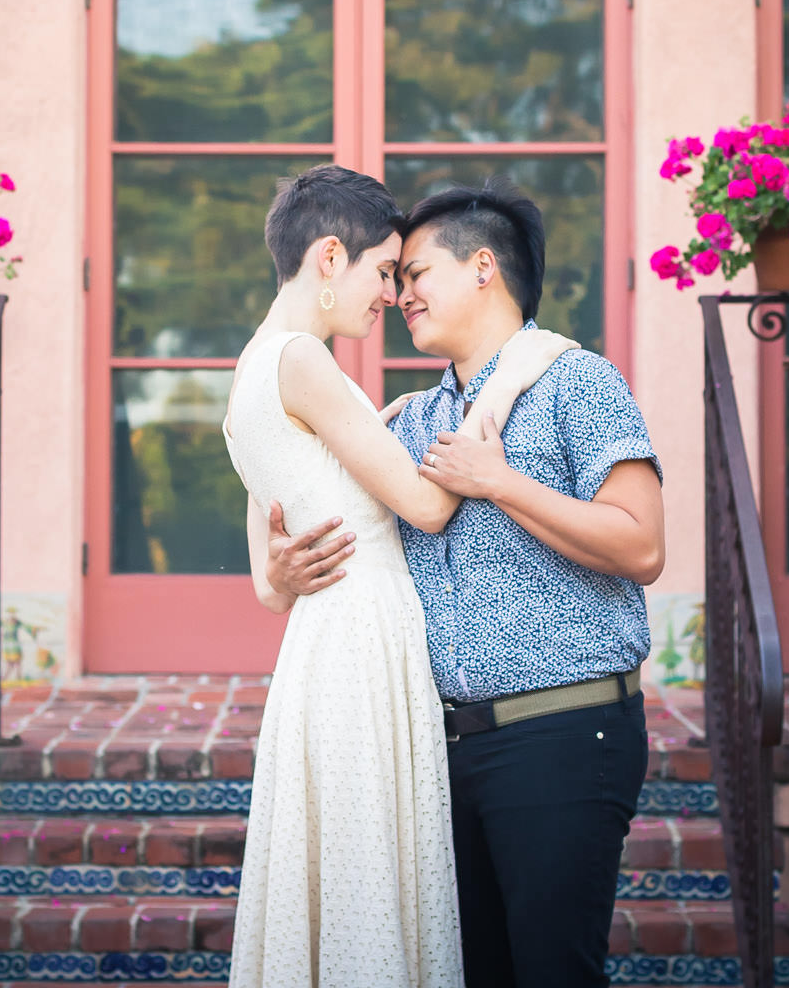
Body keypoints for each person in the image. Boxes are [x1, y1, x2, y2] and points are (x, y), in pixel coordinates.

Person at [266, 176, 665, 988]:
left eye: (413, 274)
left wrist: (499, 479)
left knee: (554, 970)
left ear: (483, 267)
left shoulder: (576, 383)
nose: (397, 294)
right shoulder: (409, 420)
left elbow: (642, 546)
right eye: (392, 278)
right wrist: (282, 570)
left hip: (562, 731)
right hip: (437, 748)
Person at [223, 164, 575, 988]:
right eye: (383, 271)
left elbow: (268, 586)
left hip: (327, 642)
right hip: (360, 644)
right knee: (370, 881)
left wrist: (375, 430)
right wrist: (513, 372)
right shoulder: (304, 360)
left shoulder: (252, 370)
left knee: (356, 878)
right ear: (328, 258)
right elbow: (424, 505)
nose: (389, 294)